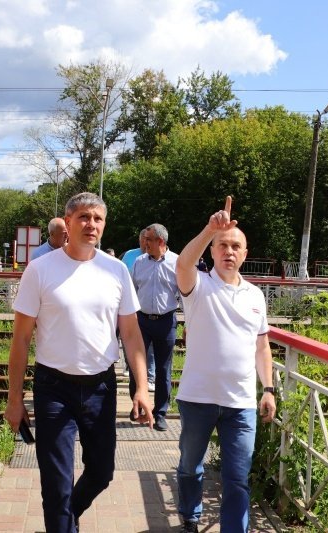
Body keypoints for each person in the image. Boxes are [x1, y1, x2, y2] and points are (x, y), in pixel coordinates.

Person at [4, 192, 154, 533]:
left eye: (98, 218)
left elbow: (131, 335)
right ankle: (62, 522)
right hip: (54, 389)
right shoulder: (40, 270)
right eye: (84, 217)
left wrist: (142, 388)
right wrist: (15, 399)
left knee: (102, 472)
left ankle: (64, 519)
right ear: (68, 223)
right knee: (55, 486)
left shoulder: (115, 271)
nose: (91, 224)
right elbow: (21, 339)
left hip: (101, 387)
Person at [174, 196, 276, 532]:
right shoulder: (199, 286)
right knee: (190, 466)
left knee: (237, 479)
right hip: (197, 398)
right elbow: (183, 265)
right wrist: (209, 229)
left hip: (241, 404)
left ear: (245, 254)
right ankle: (190, 513)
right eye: (222, 245)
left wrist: (269, 389)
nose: (229, 251)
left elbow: (262, 345)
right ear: (213, 251)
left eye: (236, 246)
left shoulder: (255, 296)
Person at [131, 223, 180, 432]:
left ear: (161, 241)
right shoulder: (139, 262)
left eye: (149, 239)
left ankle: (160, 413)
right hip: (141, 320)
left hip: (166, 321)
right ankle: (138, 409)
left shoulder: (177, 263)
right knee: (136, 366)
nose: (145, 243)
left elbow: (185, 292)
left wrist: (191, 323)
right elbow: (131, 290)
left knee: (163, 369)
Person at [119, 228, 155, 388]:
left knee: (149, 345)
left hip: (146, 305)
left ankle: (150, 376)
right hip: (129, 303)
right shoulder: (129, 255)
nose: (145, 243)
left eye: (147, 240)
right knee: (128, 336)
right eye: (143, 240)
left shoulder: (155, 256)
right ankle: (129, 366)